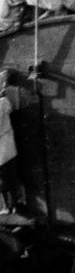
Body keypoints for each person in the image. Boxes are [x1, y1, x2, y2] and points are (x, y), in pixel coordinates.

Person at [0, 69, 18, 215]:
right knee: (11, 177)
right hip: (8, 145)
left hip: (1, 150)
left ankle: (6, 207)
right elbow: (9, 108)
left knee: (2, 180)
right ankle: (13, 205)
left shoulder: (1, 102)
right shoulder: (4, 102)